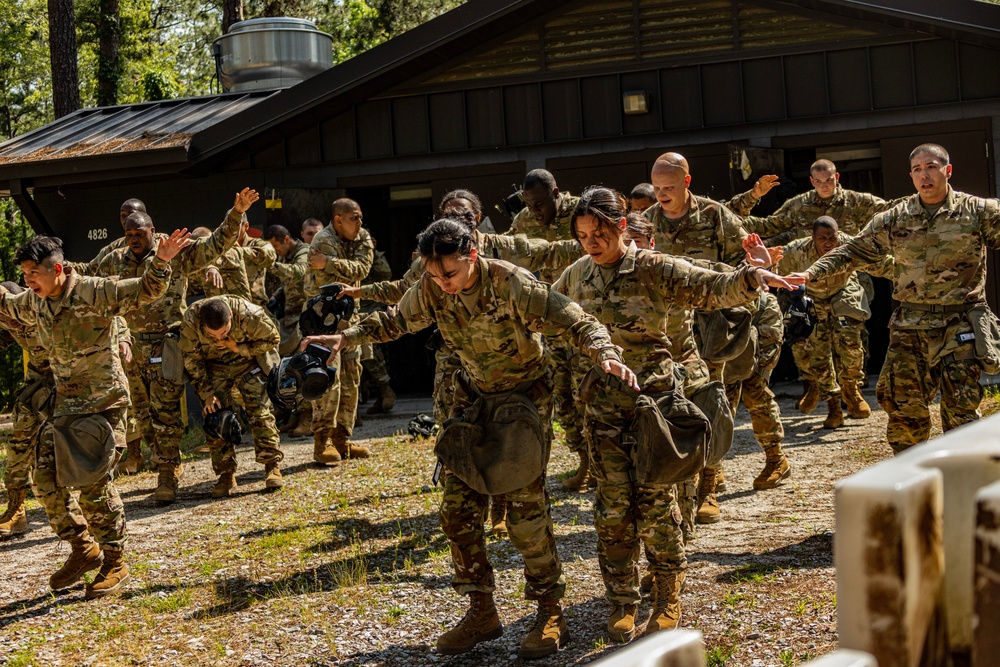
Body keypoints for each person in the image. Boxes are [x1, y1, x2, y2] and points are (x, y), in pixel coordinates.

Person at [302, 218, 636, 659]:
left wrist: (605, 353)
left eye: (451, 274)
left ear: (472, 256)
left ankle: (551, 611)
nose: (444, 284)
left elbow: (577, 321)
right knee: (457, 510)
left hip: (523, 400)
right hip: (472, 399)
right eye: (435, 276)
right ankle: (481, 610)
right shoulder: (431, 286)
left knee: (524, 515)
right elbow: (396, 321)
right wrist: (346, 337)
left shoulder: (511, 283)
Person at [554, 186, 796, 641]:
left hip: (655, 406)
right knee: (611, 510)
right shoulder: (576, 276)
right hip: (603, 408)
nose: (591, 242)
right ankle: (622, 600)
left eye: (599, 233)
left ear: (622, 227)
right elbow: (545, 312)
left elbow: (710, 286)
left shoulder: (652, 268)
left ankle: (667, 597)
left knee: (657, 507)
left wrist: (754, 276)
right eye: (583, 235)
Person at [0, 230, 188, 597]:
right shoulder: (35, 302)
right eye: (24, 274)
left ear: (59, 268)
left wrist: (162, 261)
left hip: (103, 403)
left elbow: (145, 291)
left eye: (34, 272)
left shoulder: (95, 290)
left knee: (93, 483)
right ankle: (83, 547)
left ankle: (115, 560)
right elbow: (8, 305)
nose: (29, 280)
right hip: (66, 405)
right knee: (44, 478)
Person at [792, 143, 1000, 453]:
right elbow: (851, 251)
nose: (924, 175)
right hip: (910, 325)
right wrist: (808, 274)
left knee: (961, 414)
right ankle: (910, 483)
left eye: (930, 167)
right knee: (902, 411)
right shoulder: (897, 217)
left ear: (947, 170)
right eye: (917, 169)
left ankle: (964, 488)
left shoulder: (978, 212)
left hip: (959, 324)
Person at [88, 189, 259, 502]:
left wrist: (236, 213)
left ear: (152, 231)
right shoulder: (114, 258)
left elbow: (216, 244)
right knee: (144, 416)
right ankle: (165, 465)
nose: (134, 239)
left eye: (139, 234)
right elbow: (87, 277)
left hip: (170, 344)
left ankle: (170, 479)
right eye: (129, 234)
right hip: (130, 347)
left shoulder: (175, 249)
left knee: (171, 413)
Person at [645, 151, 780, 524]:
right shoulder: (648, 222)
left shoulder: (714, 215)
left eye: (669, 187)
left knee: (710, 400)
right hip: (667, 330)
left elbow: (748, 261)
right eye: (656, 188)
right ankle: (678, 485)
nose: (662, 195)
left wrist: (759, 263)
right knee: (669, 405)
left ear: (686, 182)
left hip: (710, 327)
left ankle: (709, 489)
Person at [506, 170, 590, 491]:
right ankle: (584, 461)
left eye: (540, 204)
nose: (535, 212)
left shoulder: (581, 212)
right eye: (529, 205)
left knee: (588, 396)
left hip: (583, 319)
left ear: (556, 194)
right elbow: (510, 255)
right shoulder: (524, 221)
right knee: (562, 398)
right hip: (550, 324)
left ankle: (602, 463)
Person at [777, 217, 891, 427]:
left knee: (850, 342)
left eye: (832, 237)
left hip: (842, 291)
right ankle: (833, 406)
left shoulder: (850, 245)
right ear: (813, 238)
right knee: (817, 350)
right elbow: (774, 271)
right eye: (822, 238)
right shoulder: (795, 251)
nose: (828, 243)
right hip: (812, 298)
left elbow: (880, 262)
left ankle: (851, 388)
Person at [179, 295, 284, 496]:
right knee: (215, 416)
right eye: (213, 335)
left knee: (259, 411)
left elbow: (273, 338)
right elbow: (192, 360)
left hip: (247, 362)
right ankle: (226, 474)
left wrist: (239, 347)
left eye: (224, 332)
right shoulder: (191, 321)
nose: (219, 338)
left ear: (231, 318)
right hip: (214, 367)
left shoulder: (249, 314)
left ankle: (272, 466)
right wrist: (207, 393)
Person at [306, 199, 374, 465]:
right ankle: (321, 443)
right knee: (327, 382)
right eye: (354, 218)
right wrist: (334, 265)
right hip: (325, 323)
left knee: (351, 381)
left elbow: (363, 269)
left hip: (351, 322)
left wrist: (330, 262)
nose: (359, 224)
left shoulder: (362, 236)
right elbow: (335, 285)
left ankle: (342, 440)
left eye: (360, 218)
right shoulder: (322, 240)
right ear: (338, 220)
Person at [0, 284, 52, 537]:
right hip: (37, 382)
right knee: (19, 442)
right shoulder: (7, 319)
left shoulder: (48, 304)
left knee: (74, 447)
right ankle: (16, 511)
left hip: (73, 380)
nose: (10, 322)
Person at [359, 241, 396, 415]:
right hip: (353, 306)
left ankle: (384, 389)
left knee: (369, 346)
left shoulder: (372, 255)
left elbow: (386, 274)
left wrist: (373, 254)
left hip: (371, 306)